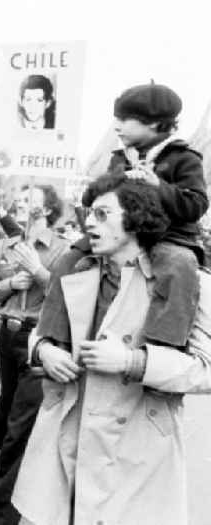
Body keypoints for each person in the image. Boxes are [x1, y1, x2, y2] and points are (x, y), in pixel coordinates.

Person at [13, 173, 211, 525]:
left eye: (102, 214)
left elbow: (205, 369)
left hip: (138, 447)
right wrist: (45, 351)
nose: (89, 221)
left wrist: (133, 361)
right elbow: (39, 332)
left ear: (135, 218)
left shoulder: (190, 280)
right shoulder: (76, 269)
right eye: (89, 212)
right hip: (69, 434)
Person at [0, 185, 69, 524]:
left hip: (38, 339)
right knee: (10, 408)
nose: (23, 201)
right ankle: (9, 498)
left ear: (47, 208)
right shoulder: (5, 244)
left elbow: (66, 297)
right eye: (22, 196)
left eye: (31, 197)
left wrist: (40, 271)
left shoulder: (63, 249)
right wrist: (10, 285)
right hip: (8, 333)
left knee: (20, 425)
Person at [101, 83, 207, 350]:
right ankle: (54, 340)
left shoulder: (184, 159)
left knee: (179, 264)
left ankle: (163, 349)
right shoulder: (118, 159)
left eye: (125, 119)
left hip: (168, 238)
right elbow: (99, 196)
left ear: (154, 124)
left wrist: (157, 186)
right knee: (72, 258)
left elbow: (196, 204)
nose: (117, 125)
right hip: (122, 235)